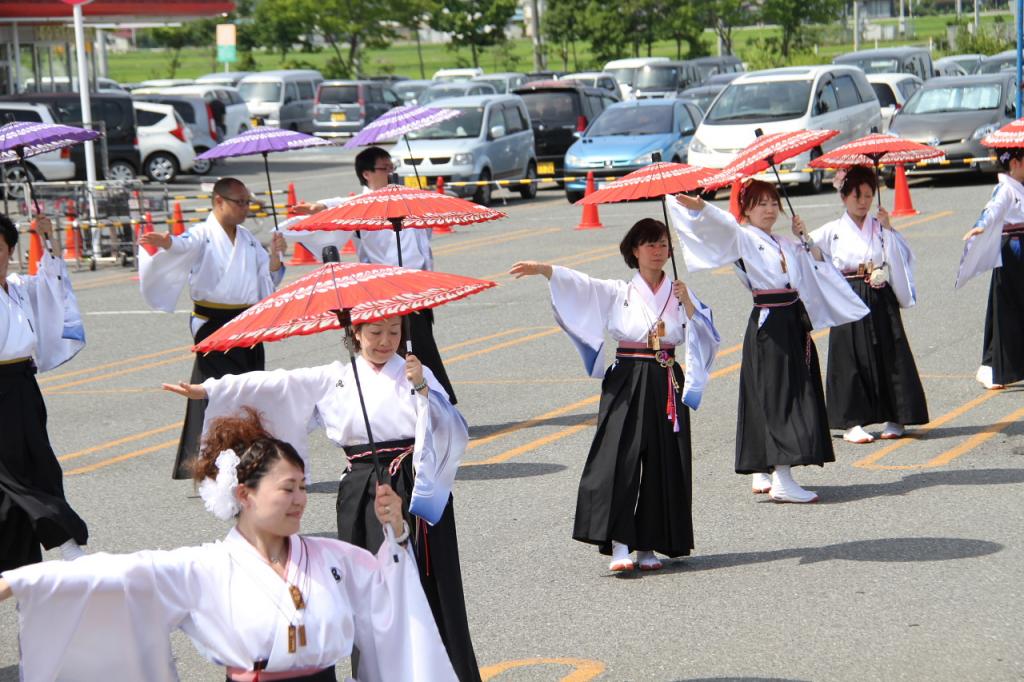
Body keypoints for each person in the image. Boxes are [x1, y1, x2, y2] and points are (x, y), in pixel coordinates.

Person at [0, 409, 458, 682]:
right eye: (287, 488)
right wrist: (20, 581)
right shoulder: (208, 567)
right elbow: (119, 573)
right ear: (245, 494)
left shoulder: (336, 559)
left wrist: (396, 533)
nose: (300, 499)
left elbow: (391, 595)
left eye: (303, 487)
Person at [162, 315, 481, 682]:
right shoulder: (335, 378)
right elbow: (276, 385)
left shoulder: (414, 372)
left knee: (428, 582)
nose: (386, 341)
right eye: (375, 332)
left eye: (394, 332)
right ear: (355, 333)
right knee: (369, 587)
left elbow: (452, 428)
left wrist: (422, 387)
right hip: (362, 489)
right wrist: (210, 390)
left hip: (416, 484)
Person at [509, 218, 720, 572]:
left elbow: (706, 332)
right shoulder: (618, 291)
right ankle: (620, 543)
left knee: (663, 460)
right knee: (619, 458)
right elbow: (582, 286)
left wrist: (689, 306)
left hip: (666, 376)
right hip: (628, 377)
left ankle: (649, 545)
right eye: (650, 244)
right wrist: (546, 270)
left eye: (663, 244)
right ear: (634, 251)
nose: (658, 251)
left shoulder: (680, 292)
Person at [669, 182, 868, 503]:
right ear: (746, 210)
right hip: (770, 323)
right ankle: (782, 478)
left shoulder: (783, 242)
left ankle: (763, 466)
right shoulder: (743, 237)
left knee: (770, 394)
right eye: (760, 204)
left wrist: (805, 238)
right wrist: (702, 208)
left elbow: (816, 267)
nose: (769, 209)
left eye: (773, 203)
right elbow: (725, 226)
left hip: (790, 321)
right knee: (780, 397)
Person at [282, 146, 457, 404]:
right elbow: (341, 204)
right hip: (385, 289)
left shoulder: (404, 197)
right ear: (367, 174)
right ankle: (406, 404)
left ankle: (437, 402)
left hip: (416, 285)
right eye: (384, 168)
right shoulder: (360, 206)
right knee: (395, 351)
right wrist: (320, 206)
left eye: (392, 167)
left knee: (422, 347)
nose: (391, 173)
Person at [139, 177, 287, 479]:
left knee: (248, 391)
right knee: (215, 393)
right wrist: (167, 243)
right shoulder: (203, 234)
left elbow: (265, 279)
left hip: (246, 324)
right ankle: (209, 462)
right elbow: (183, 245)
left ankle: (246, 459)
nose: (245, 208)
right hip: (213, 326)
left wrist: (274, 257)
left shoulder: (247, 239)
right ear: (219, 201)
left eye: (247, 202)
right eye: (239, 202)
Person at [808, 167, 928, 443]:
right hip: (848, 294)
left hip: (879, 291)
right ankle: (852, 421)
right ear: (844, 197)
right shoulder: (833, 230)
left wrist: (889, 229)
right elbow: (809, 251)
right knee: (848, 355)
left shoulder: (879, 226)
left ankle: (897, 416)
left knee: (890, 351)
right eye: (856, 195)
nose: (863, 202)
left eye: (868, 195)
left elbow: (903, 255)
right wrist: (803, 236)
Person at [0, 213, 88, 570]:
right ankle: (65, 538)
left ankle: (21, 568)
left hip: (22, 384)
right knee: (12, 474)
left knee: (38, 463)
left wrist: (47, 239)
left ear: (10, 250)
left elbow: (52, 287)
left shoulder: (19, 286)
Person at [956, 147, 1024, 390]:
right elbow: (992, 209)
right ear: (1015, 163)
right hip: (1012, 252)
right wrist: (981, 225)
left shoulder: (1020, 186)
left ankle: (993, 364)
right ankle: (991, 366)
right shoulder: (1005, 189)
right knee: (1005, 309)